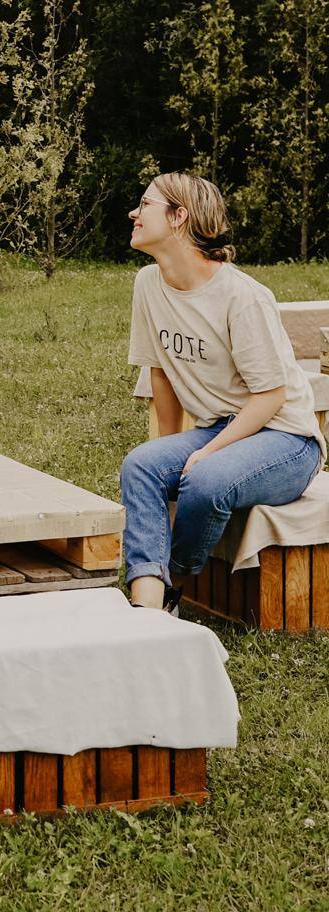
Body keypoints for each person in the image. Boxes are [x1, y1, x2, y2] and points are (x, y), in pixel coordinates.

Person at [121, 171, 325, 611]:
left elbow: (270, 397)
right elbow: (162, 375)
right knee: (141, 465)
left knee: (206, 478)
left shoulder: (241, 296)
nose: (134, 213)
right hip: (220, 426)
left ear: (179, 217)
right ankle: (145, 608)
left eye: (146, 204)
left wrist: (207, 453)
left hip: (286, 440)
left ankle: (172, 584)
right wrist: (170, 455)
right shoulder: (147, 284)